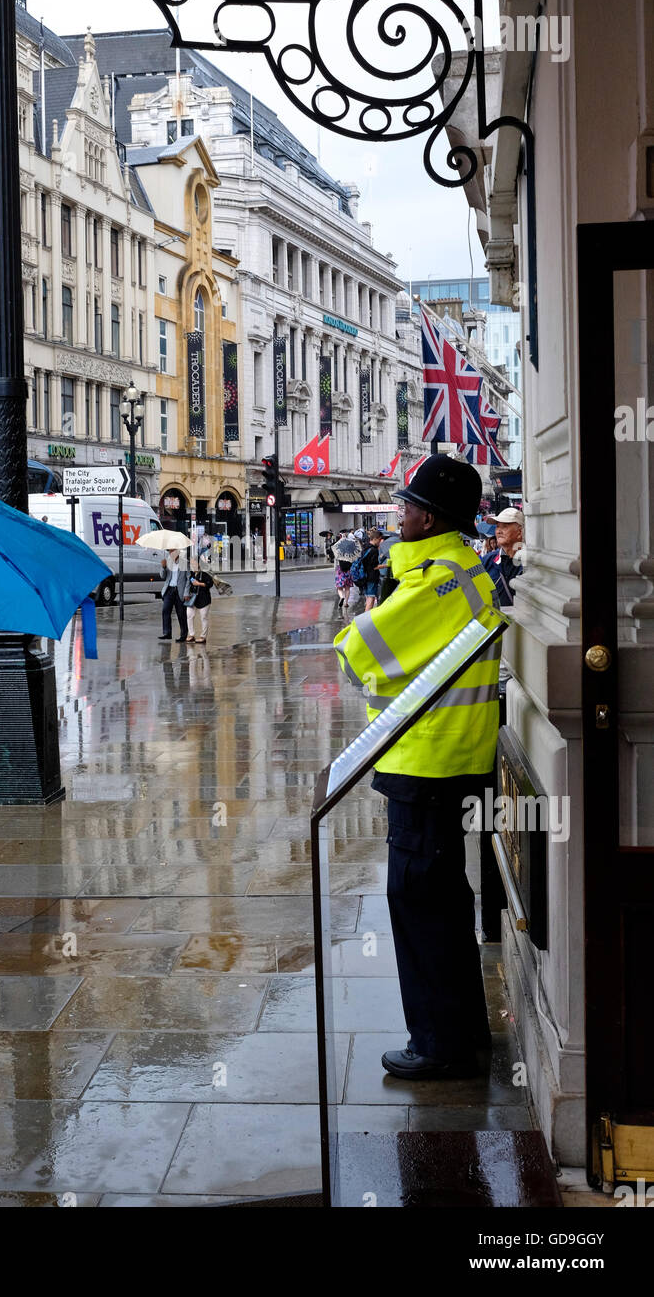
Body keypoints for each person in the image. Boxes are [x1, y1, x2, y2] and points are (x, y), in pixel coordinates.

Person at [333, 456, 501, 1080]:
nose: (399, 513)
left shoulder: (437, 579)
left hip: (427, 760)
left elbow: (358, 653)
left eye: (406, 505)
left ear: (429, 516)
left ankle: (438, 1045)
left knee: (419, 901)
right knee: (445, 902)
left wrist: (361, 622)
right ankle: (464, 1031)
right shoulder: (461, 566)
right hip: (448, 757)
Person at [483, 507, 524, 607]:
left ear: (520, 532)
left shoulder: (530, 561)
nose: (498, 531)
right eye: (497, 526)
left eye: (505, 526)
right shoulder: (488, 560)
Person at [158, 548, 189, 641]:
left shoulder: (184, 563)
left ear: (178, 552)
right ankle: (167, 633)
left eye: (172, 551)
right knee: (165, 610)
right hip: (169, 590)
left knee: (181, 613)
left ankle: (183, 635)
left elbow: (188, 578)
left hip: (180, 591)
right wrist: (163, 567)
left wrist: (186, 592)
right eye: (169, 551)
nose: (171, 553)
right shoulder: (167, 561)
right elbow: (162, 576)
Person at [185, 562, 214, 644]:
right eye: (192, 565)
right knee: (189, 615)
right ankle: (191, 634)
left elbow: (210, 584)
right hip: (192, 599)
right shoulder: (191, 574)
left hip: (204, 599)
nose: (193, 566)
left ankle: (203, 636)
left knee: (203, 617)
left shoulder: (204, 573)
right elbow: (188, 585)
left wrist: (199, 584)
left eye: (195, 564)